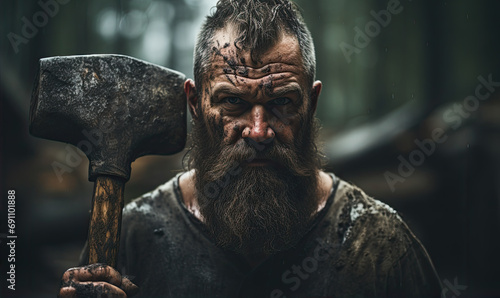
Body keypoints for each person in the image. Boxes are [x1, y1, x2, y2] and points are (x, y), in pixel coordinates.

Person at [58, 0, 443, 297]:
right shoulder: (131, 240)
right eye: (233, 103)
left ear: (312, 103)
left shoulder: (381, 249)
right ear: (195, 104)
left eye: (282, 104)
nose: (258, 132)